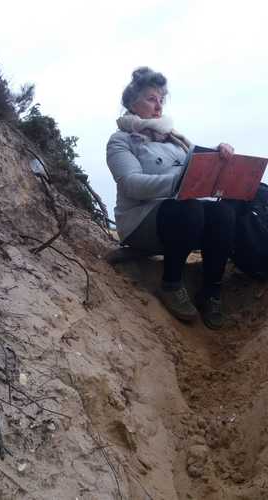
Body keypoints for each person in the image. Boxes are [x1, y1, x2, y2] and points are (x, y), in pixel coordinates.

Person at [106, 67, 237, 329]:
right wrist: (180, 182)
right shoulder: (120, 141)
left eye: (161, 100)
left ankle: (211, 291)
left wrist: (218, 156)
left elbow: (194, 164)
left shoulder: (174, 139)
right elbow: (131, 185)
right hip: (142, 221)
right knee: (187, 208)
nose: (158, 106)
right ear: (132, 103)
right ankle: (171, 283)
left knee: (224, 213)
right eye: (151, 99)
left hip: (182, 218)